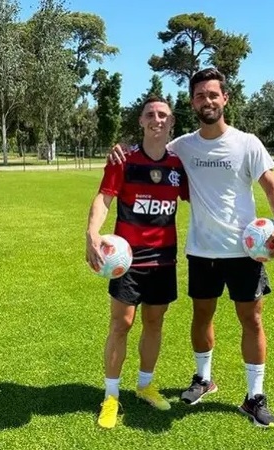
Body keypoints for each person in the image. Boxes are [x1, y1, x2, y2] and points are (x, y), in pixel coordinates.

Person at [109, 68, 274, 428]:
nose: (207, 100)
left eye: (213, 94)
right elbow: (151, 148)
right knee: (201, 316)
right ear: (192, 103)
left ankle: (254, 396)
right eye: (199, 96)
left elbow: (271, 184)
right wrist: (120, 148)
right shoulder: (183, 146)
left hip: (245, 251)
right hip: (202, 252)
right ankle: (203, 378)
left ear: (225, 98)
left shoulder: (247, 143)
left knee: (251, 319)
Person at [86, 96, 189, 429]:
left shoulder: (178, 165)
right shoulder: (124, 159)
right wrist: (92, 232)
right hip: (126, 260)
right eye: (150, 115)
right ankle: (111, 396)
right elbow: (104, 198)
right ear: (141, 122)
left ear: (171, 123)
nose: (157, 119)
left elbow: (202, 196)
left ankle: (145, 385)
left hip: (164, 259)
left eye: (163, 115)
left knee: (155, 323)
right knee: (121, 324)